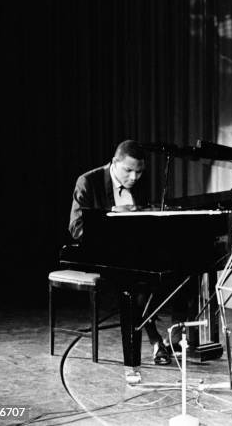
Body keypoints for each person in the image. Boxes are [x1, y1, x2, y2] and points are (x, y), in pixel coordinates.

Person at [68, 140, 172, 382]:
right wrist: (111, 235)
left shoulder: (140, 183)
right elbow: (76, 227)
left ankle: (172, 339)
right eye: (128, 170)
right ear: (115, 163)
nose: (134, 177)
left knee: (174, 273)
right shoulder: (88, 181)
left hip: (134, 254)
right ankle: (154, 342)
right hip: (100, 255)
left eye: (139, 171)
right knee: (134, 283)